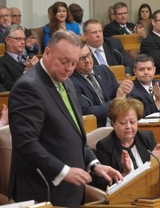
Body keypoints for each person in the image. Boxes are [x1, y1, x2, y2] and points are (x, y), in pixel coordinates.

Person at [8, 30, 122, 207]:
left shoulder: (66, 81)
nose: (69, 68)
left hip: (69, 187)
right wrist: (63, 171)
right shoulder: (28, 87)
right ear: (47, 53)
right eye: (64, 61)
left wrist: (94, 164)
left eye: (74, 63)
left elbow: (74, 132)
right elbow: (25, 143)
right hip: (42, 188)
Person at [92, 97, 160, 190]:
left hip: (151, 191)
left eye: (132, 122)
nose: (128, 126)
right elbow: (102, 186)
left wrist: (155, 162)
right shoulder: (105, 146)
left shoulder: (147, 138)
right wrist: (124, 173)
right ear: (113, 123)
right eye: (123, 123)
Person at [70, 43, 133, 127]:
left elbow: (122, 95)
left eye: (88, 55)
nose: (87, 60)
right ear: (73, 61)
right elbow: (88, 111)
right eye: (82, 58)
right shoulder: (71, 82)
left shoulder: (103, 70)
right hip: (97, 126)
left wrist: (125, 90)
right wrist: (117, 100)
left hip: (118, 120)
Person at [0, 24, 38, 90]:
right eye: (18, 39)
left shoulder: (28, 58)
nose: (23, 42)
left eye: (24, 39)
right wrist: (27, 71)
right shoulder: (2, 63)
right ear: (8, 41)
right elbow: (10, 88)